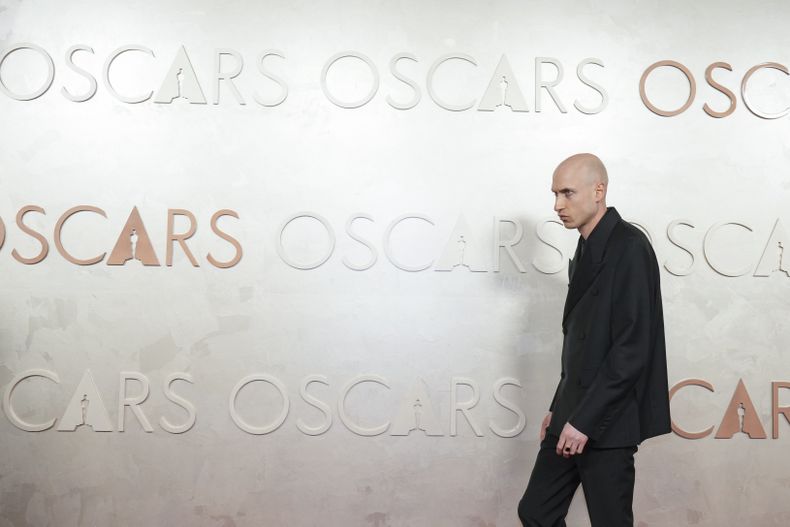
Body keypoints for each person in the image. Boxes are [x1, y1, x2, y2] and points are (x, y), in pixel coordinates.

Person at [518, 153, 671, 526]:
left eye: (568, 193)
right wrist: (560, 406)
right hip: (573, 413)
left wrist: (583, 420)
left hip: (607, 423)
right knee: (536, 511)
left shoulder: (630, 247)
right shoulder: (585, 246)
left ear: (599, 190)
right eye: (555, 194)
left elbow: (632, 349)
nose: (558, 205)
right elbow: (581, 346)